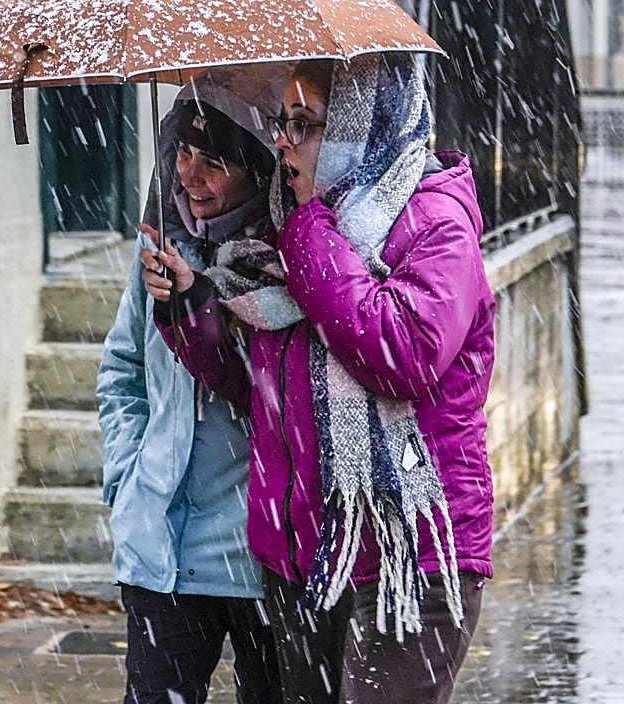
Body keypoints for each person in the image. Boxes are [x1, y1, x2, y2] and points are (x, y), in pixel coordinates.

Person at [140, 55, 496, 704]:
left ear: (363, 127)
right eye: (283, 119)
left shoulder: (435, 225)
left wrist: (308, 226)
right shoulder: (293, 232)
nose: (282, 140)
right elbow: (261, 394)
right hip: (307, 554)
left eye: (304, 123)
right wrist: (186, 307)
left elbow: (400, 353)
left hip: (405, 553)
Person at [97, 79, 284, 704]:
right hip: (161, 552)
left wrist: (199, 300)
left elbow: (275, 391)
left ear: (255, 170)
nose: (190, 175)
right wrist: (128, 478)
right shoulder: (156, 252)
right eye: (183, 152)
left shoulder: (285, 261)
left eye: (215, 161)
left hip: (258, 557)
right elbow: (122, 372)